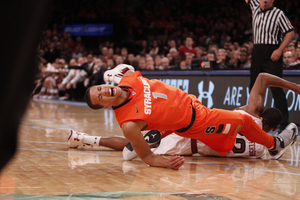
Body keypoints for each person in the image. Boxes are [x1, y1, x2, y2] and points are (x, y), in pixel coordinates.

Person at [81, 64, 299, 170]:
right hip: (195, 121)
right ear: (105, 107)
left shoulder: (127, 79)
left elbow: (125, 69)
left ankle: (159, 135)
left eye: (100, 88)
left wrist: (113, 72)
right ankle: (275, 145)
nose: (104, 92)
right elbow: (147, 158)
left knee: (230, 135)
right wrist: (166, 164)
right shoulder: (128, 124)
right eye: (100, 97)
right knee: (242, 120)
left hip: (192, 106)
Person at [246, 0, 294, 130]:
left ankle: (284, 125)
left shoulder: (278, 13)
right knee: (253, 87)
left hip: (272, 51)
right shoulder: (254, 6)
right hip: (257, 51)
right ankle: (252, 120)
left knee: (276, 89)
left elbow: (290, 32)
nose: (265, 0)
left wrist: (280, 49)